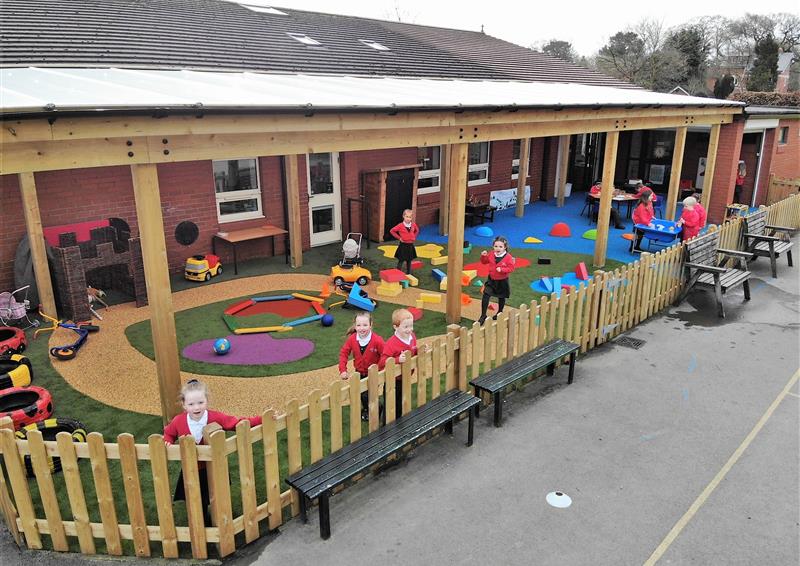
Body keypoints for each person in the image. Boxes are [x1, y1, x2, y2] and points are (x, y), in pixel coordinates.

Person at [163, 379, 263, 524]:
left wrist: (260, 419)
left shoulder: (215, 417)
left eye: (200, 402)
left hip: (214, 467)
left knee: (218, 495)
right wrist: (168, 440)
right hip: (192, 469)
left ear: (206, 401)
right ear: (184, 404)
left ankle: (221, 519)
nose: (196, 407)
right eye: (191, 404)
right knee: (195, 498)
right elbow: (169, 433)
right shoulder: (178, 421)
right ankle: (202, 521)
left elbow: (237, 423)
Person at [379, 308, 428, 417]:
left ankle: (400, 424)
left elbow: (413, 351)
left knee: (402, 403)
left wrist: (420, 351)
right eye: (406, 327)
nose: (409, 329)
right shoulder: (391, 344)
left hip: (405, 377)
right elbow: (382, 362)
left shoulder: (412, 337)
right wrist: (397, 360)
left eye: (411, 326)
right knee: (390, 406)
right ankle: (386, 428)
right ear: (395, 327)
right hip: (393, 380)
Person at [339, 312, 385, 421]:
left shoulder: (377, 340)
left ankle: (376, 409)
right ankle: (367, 409)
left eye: (365, 325)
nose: (361, 328)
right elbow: (343, 353)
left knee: (368, 394)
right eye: (359, 325)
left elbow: (385, 355)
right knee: (361, 393)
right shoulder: (352, 339)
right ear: (355, 326)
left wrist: (378, 369)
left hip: (374, 373)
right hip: (359, 372)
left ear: (371, 325)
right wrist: (343, 370)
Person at [478, 236, 515, 325]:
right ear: (493, 246)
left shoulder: (508, 257)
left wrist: (502, 270)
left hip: (502, 281)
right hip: (491, 280)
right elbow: (484, 262)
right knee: (486, 295)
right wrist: (483, 256)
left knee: (501, 297)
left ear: (505, 247)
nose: (497, 248)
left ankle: (500, 312)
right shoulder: (491, 254)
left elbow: (511, 268)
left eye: (500, 247)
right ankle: (483, 315)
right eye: (496, 246)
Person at [388, 209, 419, 273]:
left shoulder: (413, 225)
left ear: (411, 218)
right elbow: (392, 231)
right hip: (403, 245)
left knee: (409, 260)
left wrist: (414, 237)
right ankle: (398, 273)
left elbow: (417, 230)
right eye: (407, 216)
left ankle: (409, 273)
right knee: (401, 260)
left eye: (410, 217)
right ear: (403, 216)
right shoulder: (400, 225)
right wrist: (399, 238)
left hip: (410, 245)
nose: (408, 218)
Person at [631, 188, 655, 252]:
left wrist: (652, 216)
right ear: (647, 197)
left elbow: (650, 211)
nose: (652, 197)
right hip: (638, 222)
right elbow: (642, 217)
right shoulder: (641, 206)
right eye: (651, 196)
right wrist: (648, 223)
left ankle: (637, 246)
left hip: (643, 221)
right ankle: (631, 247)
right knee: (637, 234)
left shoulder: (649, 202)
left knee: (641, 235)